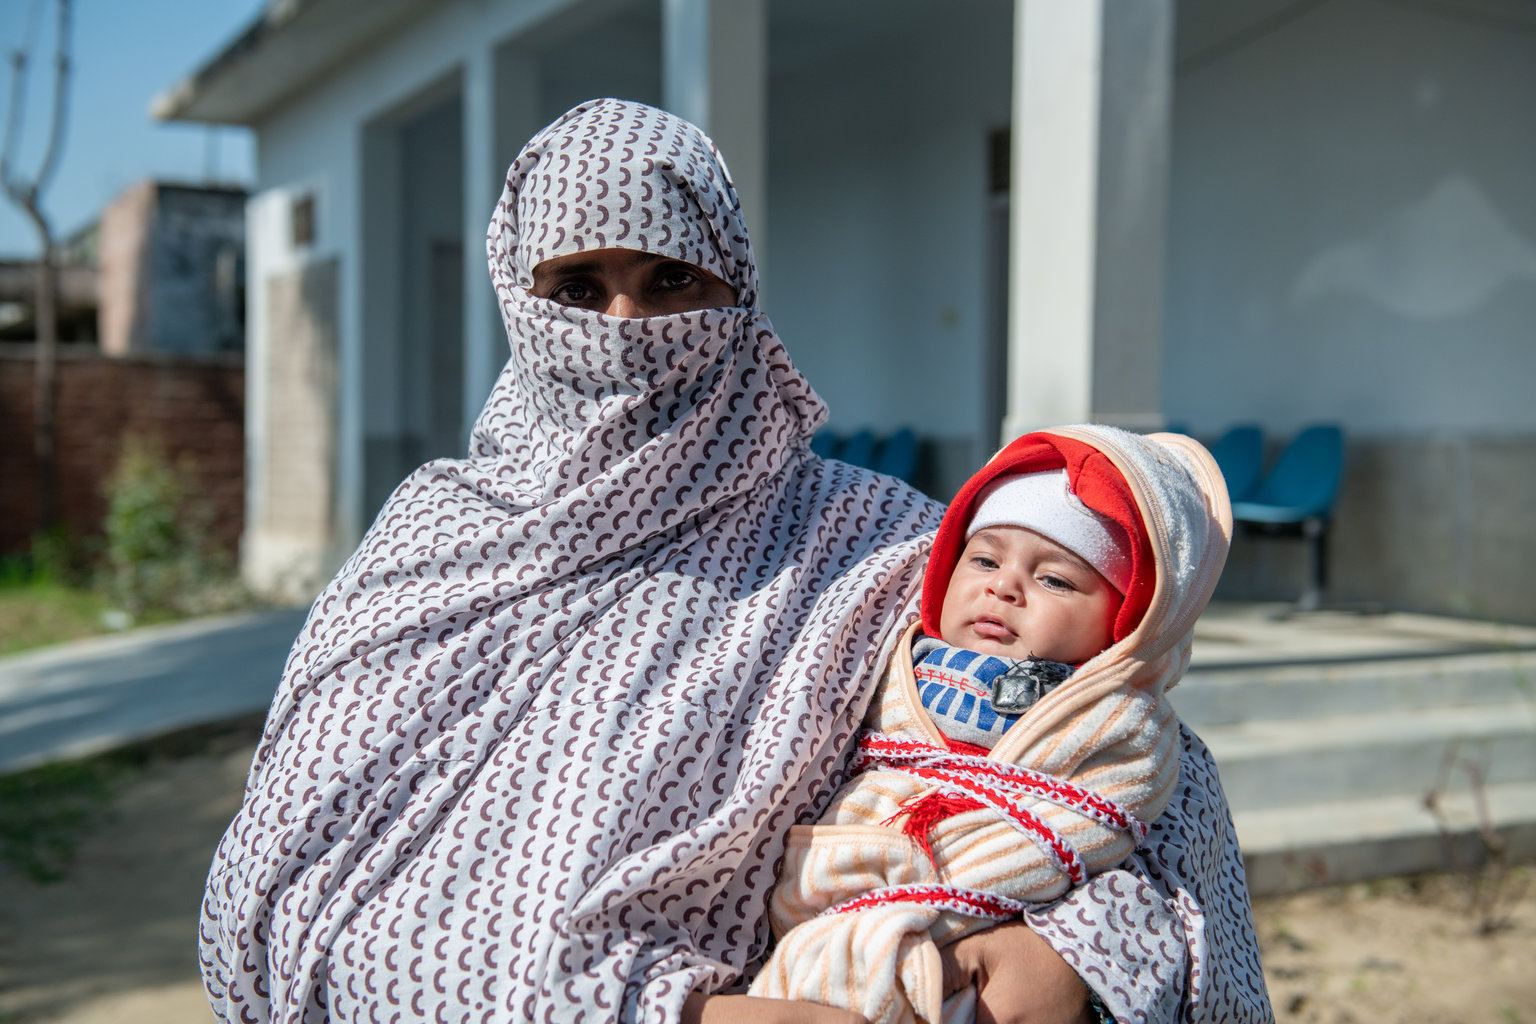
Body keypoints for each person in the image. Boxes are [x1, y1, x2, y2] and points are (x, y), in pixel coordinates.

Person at [199, 98, 1273, 1024]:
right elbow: (275, 892)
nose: (626, 324)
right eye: (579, 286)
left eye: (671, 280)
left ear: (739, 292)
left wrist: (1075, 951)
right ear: (519, 300)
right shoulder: (432, 541)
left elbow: (1121, 761)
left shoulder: (869, 548)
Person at [750, 427, 1234, 1024]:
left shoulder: (1115, 722)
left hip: (982, 931)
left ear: (1128, 626)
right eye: (982, 559)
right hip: (843, 883)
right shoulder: (885, 663)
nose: (1003, 586)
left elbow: (1113, 801)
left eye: (1054, 579)